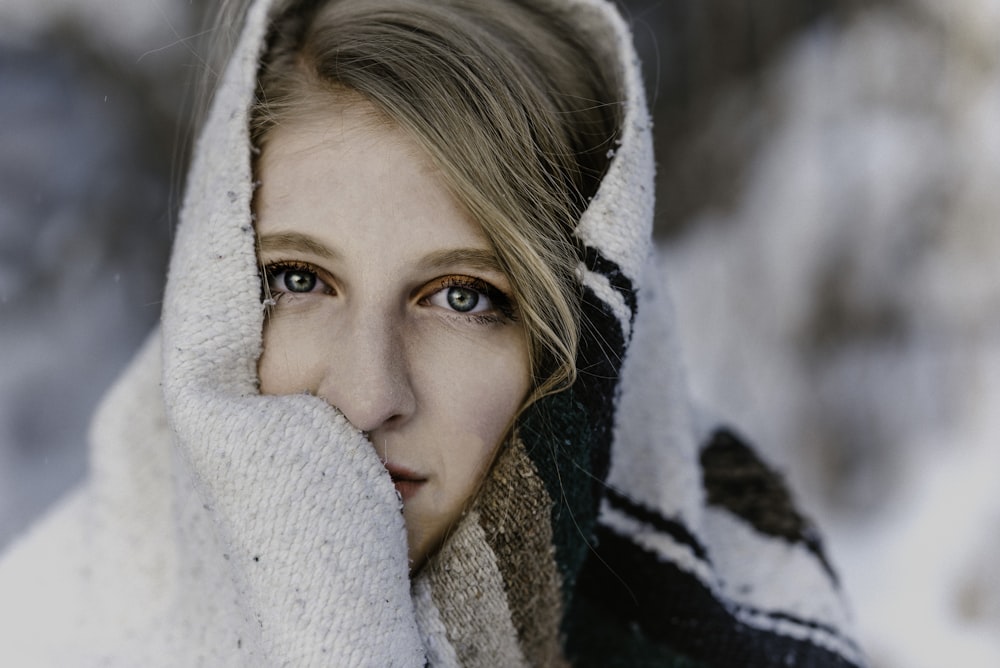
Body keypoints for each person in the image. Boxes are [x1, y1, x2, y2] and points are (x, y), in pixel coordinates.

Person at [0, 0, 866, 665]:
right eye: (298, 280)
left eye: (463, 297)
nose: (368, 395)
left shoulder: (745, 629)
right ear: (213, 292)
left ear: (583, 348)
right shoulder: (40, 633)